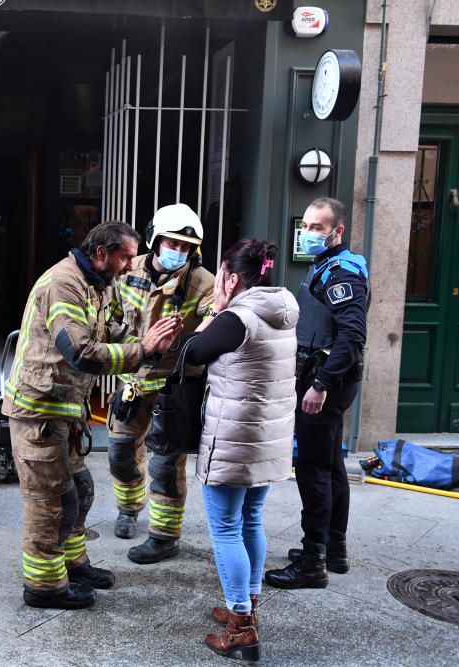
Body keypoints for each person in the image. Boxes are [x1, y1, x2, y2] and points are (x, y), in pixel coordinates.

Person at [4, 222, 181, 610]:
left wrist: (151, 346)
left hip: (64, 411)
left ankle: (73, 564)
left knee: (79, 491)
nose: (130, 264)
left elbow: (114, 334)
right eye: (126, 256)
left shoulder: (99, 284)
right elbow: (80, 352)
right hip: (39, 412)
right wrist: (141, 352)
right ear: (102, 252)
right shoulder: (63, 284)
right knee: (51, 501)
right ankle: (45, 586)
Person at [181, 239, 298, 661]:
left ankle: (241, 625)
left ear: (230, 278)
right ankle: (247, 607)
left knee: (226, 528)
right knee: (251, 519)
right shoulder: (281, 308)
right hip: (267, 439)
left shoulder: (236, 317)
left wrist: (215, 308)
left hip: (234, 440)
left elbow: (191, 352)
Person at [265, 197, 369, 589]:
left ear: (337, 231)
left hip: (326, 383)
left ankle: (311, 563)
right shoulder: (326, 266)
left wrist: (320, 385)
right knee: (331, 465)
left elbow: (352, 337)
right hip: (327, 379)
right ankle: (332, 549)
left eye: (318, 228)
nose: (308, 233)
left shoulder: (341, 274)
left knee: (312, 470)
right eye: (305, 226)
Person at [106, 203, 216, 565]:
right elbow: (110, 316)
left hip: (174, 386)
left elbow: (216, 322)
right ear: (155, 240)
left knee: (166, 464)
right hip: (132, 381)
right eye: (172, 244)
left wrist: (186, 342)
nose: (178, 253)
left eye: (186, 248)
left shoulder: (202, 283)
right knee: (121, 454)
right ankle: (128, 507)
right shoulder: (128, 270)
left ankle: (165, 536)